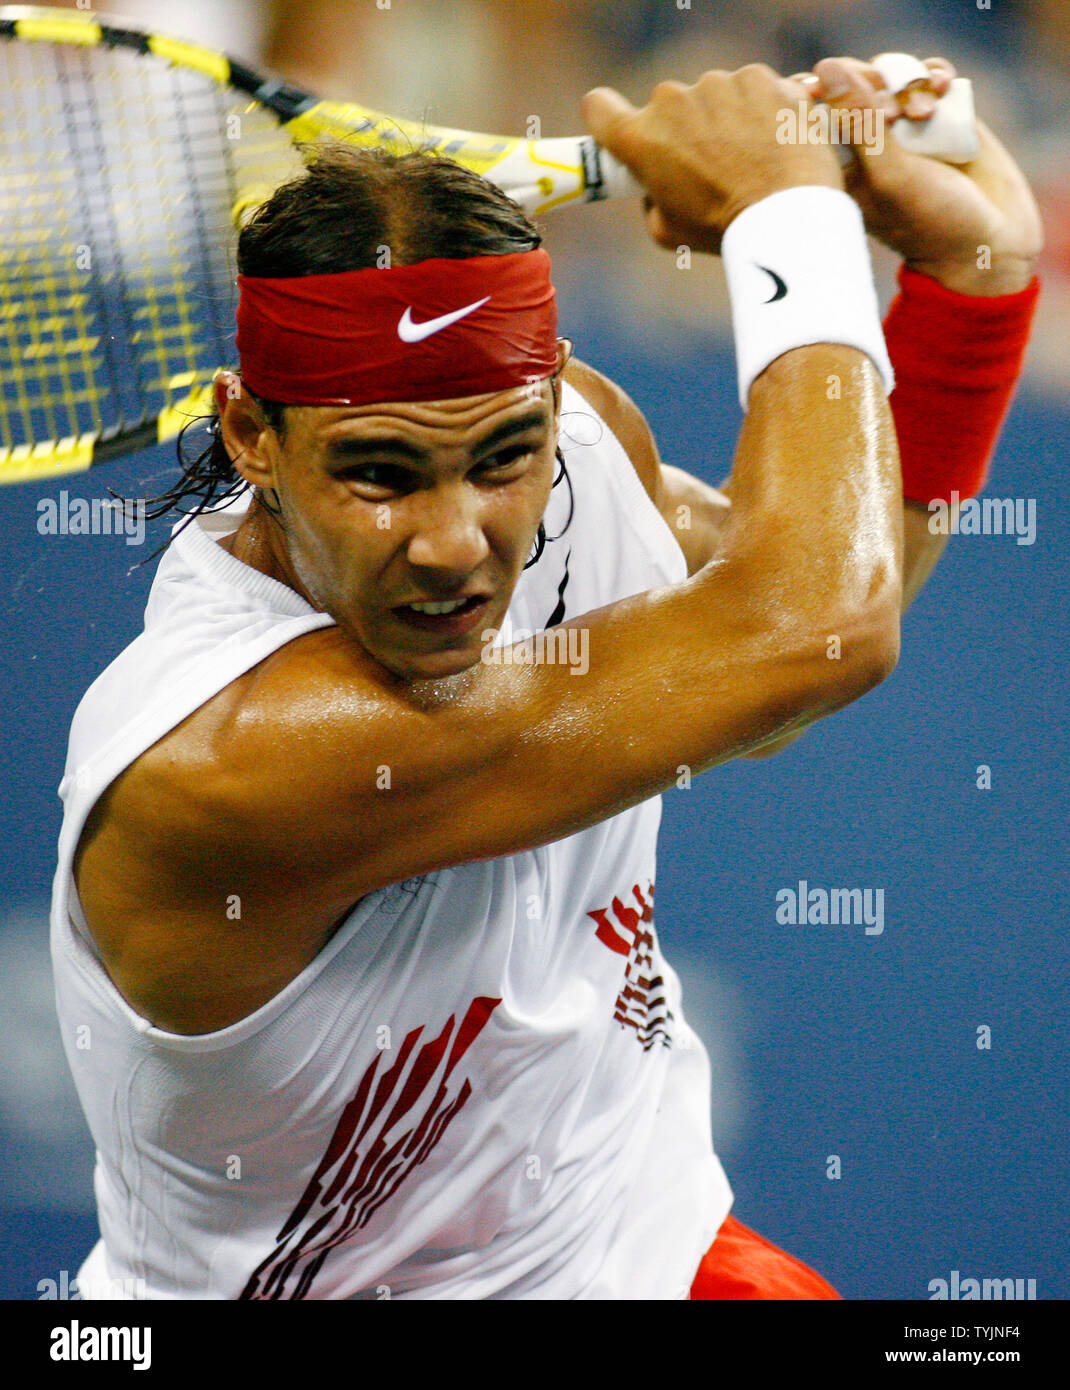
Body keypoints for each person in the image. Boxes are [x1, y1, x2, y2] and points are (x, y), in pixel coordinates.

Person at [52, 55, 1040, 1299]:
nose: (455, 540)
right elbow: (807, 631)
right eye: (379, 473)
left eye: (501, 455)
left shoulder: (581, 440)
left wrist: (968, 290)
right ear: (251, 433)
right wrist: (788, 224)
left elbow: (811, 617)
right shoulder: (233, 756)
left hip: (641, 1241)